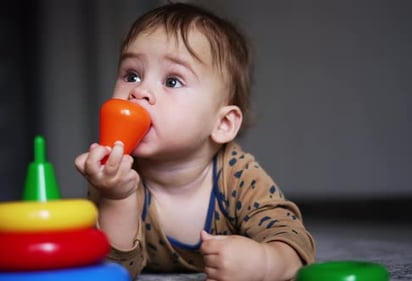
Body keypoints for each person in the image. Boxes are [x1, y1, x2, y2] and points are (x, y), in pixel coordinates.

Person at [75, 2, 316, 281]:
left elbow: (294, 242)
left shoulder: (237, 175)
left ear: (222, 124)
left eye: (173, 80)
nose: (139, 91)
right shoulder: (115, 175)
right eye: (132, 75)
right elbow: (115, 271)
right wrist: (117, 197)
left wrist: (264, 262)